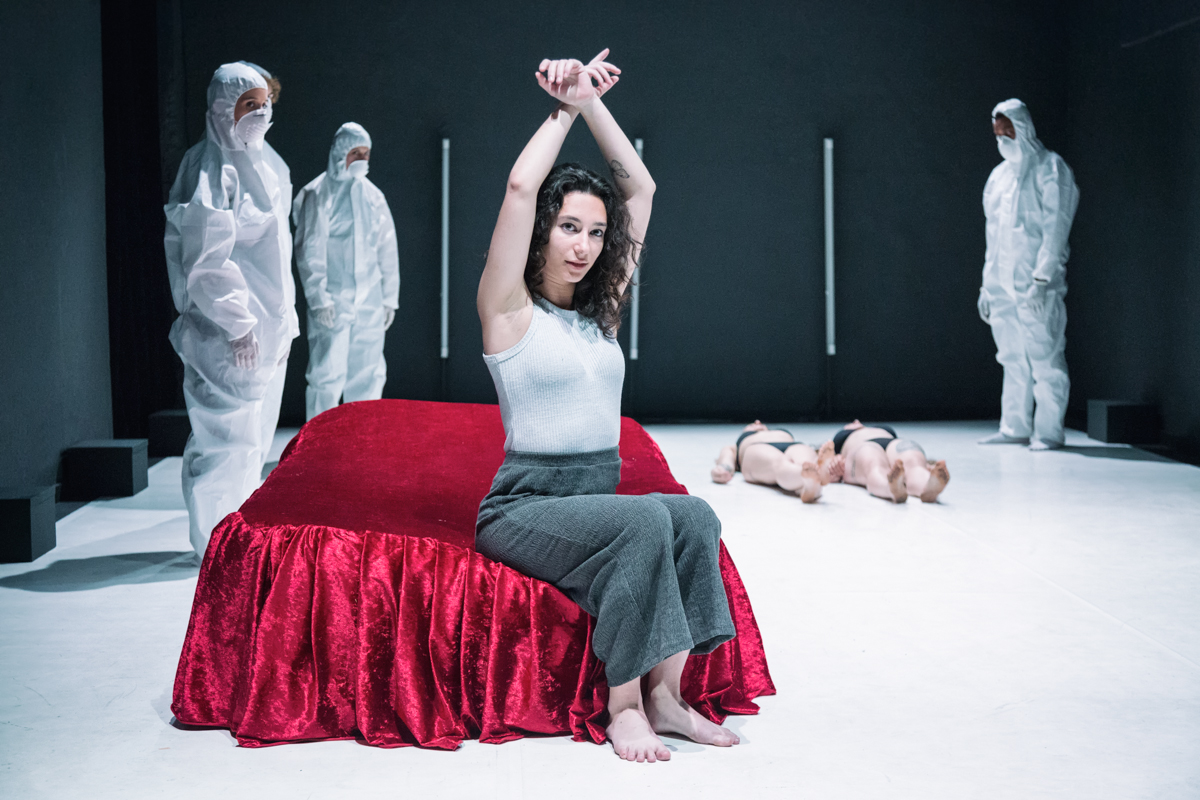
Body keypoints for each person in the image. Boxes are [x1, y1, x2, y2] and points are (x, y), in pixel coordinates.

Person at [474, 51, 739, 763]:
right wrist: (564, 106)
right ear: (542, 231)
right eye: (569, 227)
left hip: (593, 496)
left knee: (693, 515)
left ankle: (667, 696)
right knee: (645, 520)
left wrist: (594, 100)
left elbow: (640, 188)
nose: (585, 246)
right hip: (523, 506)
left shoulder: (601, 312)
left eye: (596, 232)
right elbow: (521, 187)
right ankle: (623, 706)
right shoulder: (508, 309)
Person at [163, 63, 298, 558]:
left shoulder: (269, 164)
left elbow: (276, 252)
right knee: (223, 443)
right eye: (248, 105)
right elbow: (205, 260)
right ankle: (212, 548)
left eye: (265, 104)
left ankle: (237, 544)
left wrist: (281, 323)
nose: (260, 114)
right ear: (222, 108)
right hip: (224, 336)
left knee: (254, 443)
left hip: (269, 331)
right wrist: (238, 324)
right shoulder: (207, 169)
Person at [977, 99, 1080, 451]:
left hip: (1037, 286)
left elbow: (1056, 228)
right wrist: (987, 286)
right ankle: (1014, 427)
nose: (1002, 138)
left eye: (1008, 131)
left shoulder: (1051, 169)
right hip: (1003, 286)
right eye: (997, 133)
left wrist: (1042, 279)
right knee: (1011, 358)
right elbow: (993, 236)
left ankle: (1049, 431)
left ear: (1023, 128)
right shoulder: (998, 177)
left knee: (1045, 358)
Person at [293, 123, 399, 419]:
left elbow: (387, 249)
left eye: (366, 153)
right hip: (333, 301)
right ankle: (319, 440)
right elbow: (309, 251)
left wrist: (389, 298)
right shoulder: (318, 194)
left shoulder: (373, 196)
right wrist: (319, 299)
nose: (362, 159)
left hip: (369, 300)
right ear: (340, 153)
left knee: (368, 372)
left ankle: (362, 438)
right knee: (326, 373)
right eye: (356, 153)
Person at [710, 421, 836, 503]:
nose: (757, 422)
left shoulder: (778, 433)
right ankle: (808, 480)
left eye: (760, 423)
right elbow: (726, 457)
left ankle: (811, 484)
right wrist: (723, 469)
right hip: (757, 447)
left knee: (806, 463)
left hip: (792, 445)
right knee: (779, 464)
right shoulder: (736, 447)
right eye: (751, 425)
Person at [826, 421, 949, 503]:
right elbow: (824, 458)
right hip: (863, 445)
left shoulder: (881, 429)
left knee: (912, 462)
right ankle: (891, 487)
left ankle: (928, 486)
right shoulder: (835, 443)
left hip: (892, 443)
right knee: (873, 464)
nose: (856, 421)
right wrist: (834, 465)